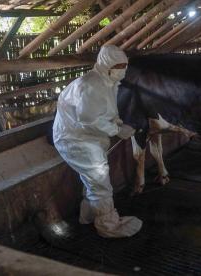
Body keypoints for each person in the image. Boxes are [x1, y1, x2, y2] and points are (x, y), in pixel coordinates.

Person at [53, 45, 142, 238]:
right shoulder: (91, 85)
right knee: (101, 183)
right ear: (106, 64)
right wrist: (118, 130)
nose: (123, 70)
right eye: (119, 65)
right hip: (76, 140)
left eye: (125, 65)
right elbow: (89, 120)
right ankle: (108, 227)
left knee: (92, 180)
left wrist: (118, 123)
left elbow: (105, 111)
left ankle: (87, 217)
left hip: (86, 138)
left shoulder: (108, 81)